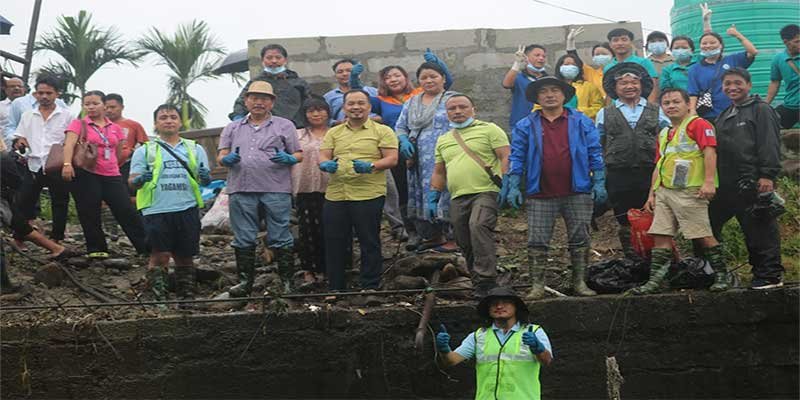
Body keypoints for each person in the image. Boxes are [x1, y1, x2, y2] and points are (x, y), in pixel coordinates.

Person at [503, 76, 605, 300]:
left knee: (580, 238)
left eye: (555, 90)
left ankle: (579, 282)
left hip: (577, 190)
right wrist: (512, 184)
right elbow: (517, 156)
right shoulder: (526, 125)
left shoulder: (581, 121)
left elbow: (594, 151)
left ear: (564, 95)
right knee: (537, 241)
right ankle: (538, 285)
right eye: (544, 92)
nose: (549, 95)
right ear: (537, 97)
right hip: (540, 191)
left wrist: (598, 180)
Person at [632, 88, 729, 294]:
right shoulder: (665, 132)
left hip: (690, 190)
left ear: (687, 105)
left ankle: (722, 275)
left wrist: (709, 182)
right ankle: (656, 281)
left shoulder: (698, 124)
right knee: (661, 234)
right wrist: (652, 193)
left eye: (676, 102)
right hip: (665, 191)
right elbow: (659, 165)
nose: (671, 106)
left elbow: (710, 152)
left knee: (701, 233)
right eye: (666, 103)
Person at [218, 81, 303, 296]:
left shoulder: (285, 125)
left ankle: (287, 282)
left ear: (272, 102)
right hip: (241, 187)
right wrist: (227, 159)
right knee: (243, 237)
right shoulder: (232, 127)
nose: (258, 102)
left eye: (264, 98)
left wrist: (288, 158)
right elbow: (221, 156)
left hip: (276, 188)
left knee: (281, 234)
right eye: (254, 98)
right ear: (246, 101)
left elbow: (298, 154)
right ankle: (245, 283)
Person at [129, 104, 211, 303]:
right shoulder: (145, 150)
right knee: (159, 255)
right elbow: (131, 181)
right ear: (156, 123)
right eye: (163, 117)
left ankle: (187, 299)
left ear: (180, 122)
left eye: (173, 117)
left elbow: (205, 181)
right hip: (156, 210)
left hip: (187, 207)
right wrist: (140, 180)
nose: (169, 120)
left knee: (185, 255)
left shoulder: (195, 148)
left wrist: (205, 177)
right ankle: (159, 300)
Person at [318, 89, 398, 291]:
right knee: (334, 240)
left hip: (368, 193)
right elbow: (323, 156)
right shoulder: (334, 132)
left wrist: (372, 166)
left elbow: (392, 159)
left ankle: (370, 285)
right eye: (351, 103)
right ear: (344, 107)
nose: (356, 107)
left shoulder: (383, 131)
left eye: (361, 103)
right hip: (336, 194)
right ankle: (336, 286)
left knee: (369, 239)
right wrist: (325, 164)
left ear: (369, 107)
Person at [430, 95, 510, 297]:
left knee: (478, 226)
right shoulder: (444, 139)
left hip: (485, 191)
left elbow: (505, 156)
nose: (457, 111)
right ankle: (477, 281)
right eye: (452, 108)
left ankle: (486, 279)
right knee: (463, 237)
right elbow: (439, 171)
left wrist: (509, 182)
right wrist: (433, 195)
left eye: (462, 107)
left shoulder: (489, 129)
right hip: (457, 196)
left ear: (473, 109)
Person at [712, 68, 784, 290]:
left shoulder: (761, 110)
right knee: (709, 221)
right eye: (727, 84)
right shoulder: (724, 114)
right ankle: (713, 270)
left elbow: (769, 143)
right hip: (727, 183)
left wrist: (767, 175)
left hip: (753, 179)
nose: (732, 87)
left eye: (737, 83)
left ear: (749, 85)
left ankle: (770, 275)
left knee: (760, 228)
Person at [596, 63, 670, 261]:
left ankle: (656, 260)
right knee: (624, 218)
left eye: (634, 82)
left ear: (642, 84)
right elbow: (598, 142)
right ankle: (632, 259)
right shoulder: (605, 113)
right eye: (623, 83)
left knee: (653, 215)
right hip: (618, 172)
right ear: (615, 87)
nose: (629, 86)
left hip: (650, 171)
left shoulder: (657, 110)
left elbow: (667, 138)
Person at [62, 91, 149, 258]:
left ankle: (145, 246)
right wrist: (67, 164)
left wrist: (112, 165)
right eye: (87, 104)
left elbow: (118, 151)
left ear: (103, 105)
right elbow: (69, 145)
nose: (91, 107)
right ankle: (96, 248)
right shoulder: (78, 124)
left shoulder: (115, 128)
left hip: (112, 174)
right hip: (87, 173)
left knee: (125, 209)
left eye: (95, 103)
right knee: (90, 210)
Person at [436, 287, 553, 400]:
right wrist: (444, 350)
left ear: (516, 307)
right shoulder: (478, 336)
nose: (499, 306)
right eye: (494, 303)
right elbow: (451, 361)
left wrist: (538, 348)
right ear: (488, 309)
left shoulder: (534, 331)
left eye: (506, 302)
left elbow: (547, 361)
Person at [395, 60, 458, 252]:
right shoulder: (412, 101)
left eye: (433, 76)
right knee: (422, 194)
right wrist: (404, 140)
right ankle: (432, 235)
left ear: (443, 78)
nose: (428, 80)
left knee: (447, 192)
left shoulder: (452, 99)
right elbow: (400, 126)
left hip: (447, 155)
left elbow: (462, 121)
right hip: (418, 159)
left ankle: (453, 237)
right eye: (424, 77)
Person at [12, 75, 74, 243]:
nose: (44, 97)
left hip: (56, 165)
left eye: (49, 93)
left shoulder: (67, 116)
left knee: (60, 202)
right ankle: (20, 238)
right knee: (24, 202)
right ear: (35, 94)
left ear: (57, 94)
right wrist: (20, 141)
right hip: (33, 164)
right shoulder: (28, 115)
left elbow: (72, 140)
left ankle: (57, 239)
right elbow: (19, 136)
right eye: (40, 93)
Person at [292, 98, 332, 279]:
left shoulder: (337, 133)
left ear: (328, 112)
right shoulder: (297, 134)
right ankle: (309, 269)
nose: (316, 114)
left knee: (333, 228)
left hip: (333, 187)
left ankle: (334, 267)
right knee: (307, 229)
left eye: (320, 110)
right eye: (311, 111)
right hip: (304, 187)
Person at [229, 44, 312, 127]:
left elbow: (310, 104)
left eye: (278, 57)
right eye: (269, 58)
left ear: (285, 60)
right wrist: (238, 120)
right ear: (262, 60)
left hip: (297, 129)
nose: (274, 61)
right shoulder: (255, 82)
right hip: (266, 130)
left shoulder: (298, 82)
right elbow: (241, 103)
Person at [687, 26, 758, 121]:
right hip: (709, 115)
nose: (708, 46)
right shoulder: (694, 69)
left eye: (712, 43)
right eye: (704, 43)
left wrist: (738, 35)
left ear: (721, 45)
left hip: (735, 111)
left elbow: (753, 52)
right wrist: (692, 110)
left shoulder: (733, 60)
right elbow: (693, 93)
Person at [105, 93, 149, 197]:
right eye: (106, 107)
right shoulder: (99, 125)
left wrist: (133, 152)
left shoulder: (133, 125)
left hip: (127, 166)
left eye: (113, 107)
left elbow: (146, 145)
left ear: (122, 107)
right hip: (105, 165)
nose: (109, 110)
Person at [604, 28, 659, 103]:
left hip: (640, 108)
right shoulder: (608, 67)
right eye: (615, 40)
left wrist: (650, 109)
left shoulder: (644, 62)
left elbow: (653, 87)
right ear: (610, 44)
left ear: (631, 43)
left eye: (624, 39)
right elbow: (608, 92)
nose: (620, 43)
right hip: (616, 110)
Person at [503, 44, 548, 128]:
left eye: (543, 56)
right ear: (526, 58)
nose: (541, 58)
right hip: (521, 124)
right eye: (537, 55)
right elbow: (506, 84)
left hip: (544, 124)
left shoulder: (548, 79)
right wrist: (517, 63)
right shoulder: (519, 78)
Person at [323, 59, 378, 124]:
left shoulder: (373, 92)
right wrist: (339, 122)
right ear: (335, 76)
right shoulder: (329, 97)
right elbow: (324, 119)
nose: (345, 74)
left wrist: (364, 119)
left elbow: (385, 113)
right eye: (340, 72)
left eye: (349, 71)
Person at [766, 24, 800, 129]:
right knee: (769, 125)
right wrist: (765, 104)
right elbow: (775, 82)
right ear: (786, 42)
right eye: (797, 42)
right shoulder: (778, 59)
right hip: (791, 104)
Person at [553, 53, 604, 120]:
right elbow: (539, 106)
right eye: (566, 64)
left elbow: (599, 107)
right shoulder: (551, 86)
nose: (570, 67)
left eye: (573, 64)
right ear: (559, 67)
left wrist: (580, 111)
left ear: (579, 68)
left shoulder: (589, 86)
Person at [566, 27, 612, 98]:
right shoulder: (591, 73)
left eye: (604, 54)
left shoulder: (620, 71)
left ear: (613, 55)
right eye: (597, 54)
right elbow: (576, 60)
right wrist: (570, 42)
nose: (600, 56)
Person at [1, 77, 26, 146]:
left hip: (26, 150)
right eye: (12, 86)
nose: (16, 88)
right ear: (5, 89)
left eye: (19, 86)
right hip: (3, 150)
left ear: (24, 89)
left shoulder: (32, 107)